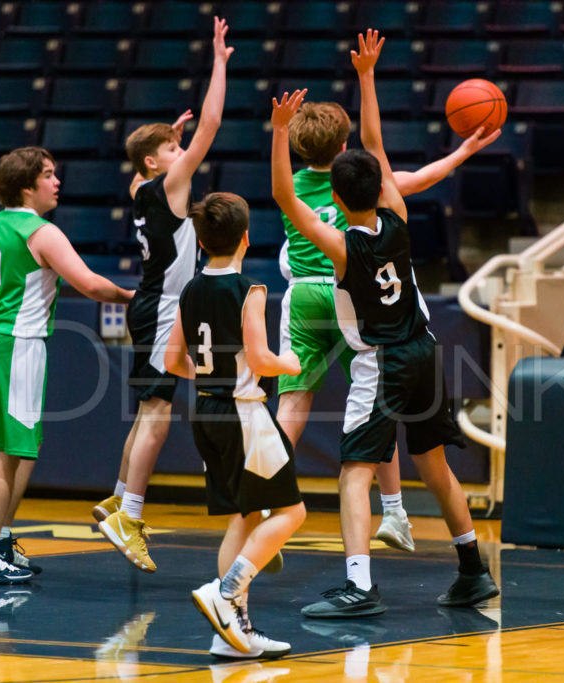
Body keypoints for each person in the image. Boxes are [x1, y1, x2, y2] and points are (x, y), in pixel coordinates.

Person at [270, 30, 500, 618]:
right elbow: (372, 141)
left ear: (341, 202)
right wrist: (369, 77)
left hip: (381, 361)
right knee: (434, 464)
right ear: (380, 183)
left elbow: (287, 199)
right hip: (424, 348)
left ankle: (359, 586)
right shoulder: (397, 210)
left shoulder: (341, 246)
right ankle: (473, 568)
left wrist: (278, 133)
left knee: (353, 469)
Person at [0, 147, 134, 585]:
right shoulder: (42, 232)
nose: (57, 182)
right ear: (27, 186)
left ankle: (1, 542)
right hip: (18, 345)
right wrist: (133, 297)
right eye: (49, 175)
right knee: (1, 455)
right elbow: (89, 283)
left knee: (19, 448)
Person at [93, 16, 234, 574]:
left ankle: (117, 499)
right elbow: (215, 122)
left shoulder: (140, 187)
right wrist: (219, 63)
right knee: (156, 413)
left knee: (148, 411)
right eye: (175, 149)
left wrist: (164, 137)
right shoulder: (170, 186)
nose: (185, 154)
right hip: (163, 308)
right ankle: (130, 513)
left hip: (151, 305)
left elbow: (147, 161)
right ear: (156, 164)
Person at [164, 192, 306, 657]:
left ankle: (231, 634)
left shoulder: (190, 289)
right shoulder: (250, 291)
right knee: (291, 512)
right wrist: (291, 363)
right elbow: (263, 359)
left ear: (201, 244)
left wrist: (211, 375)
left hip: (205, 409)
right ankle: (224, 593)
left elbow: (171, 359)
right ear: (246, 238)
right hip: (244, 413)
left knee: (243, 519)